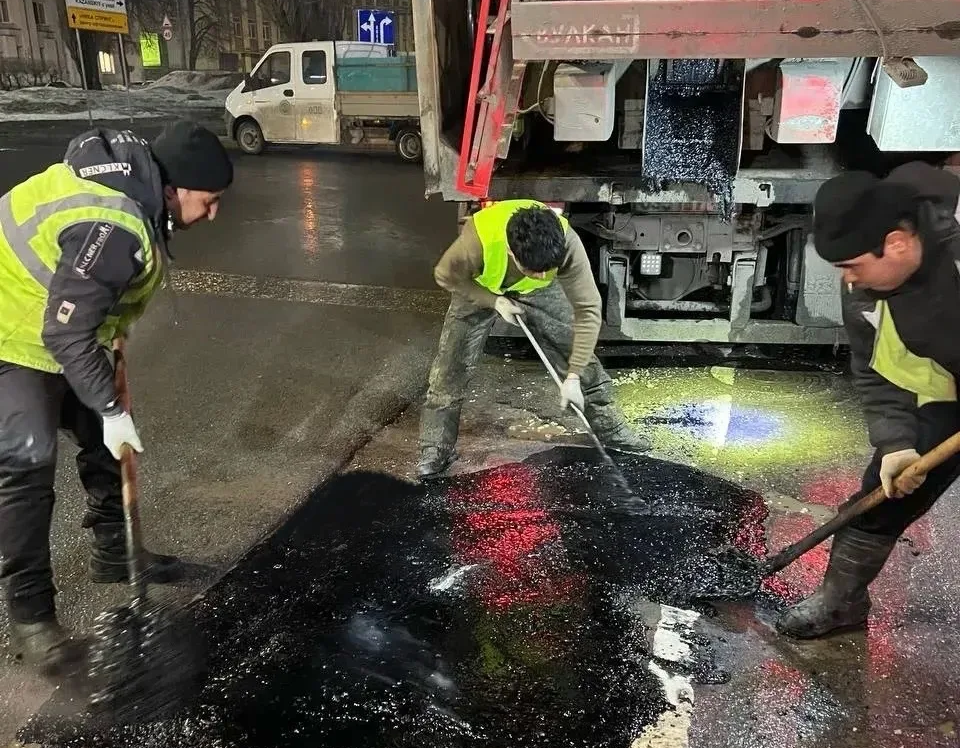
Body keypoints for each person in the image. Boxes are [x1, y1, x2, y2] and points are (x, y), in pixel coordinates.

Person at [0, 121, 234, 673]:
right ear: (175, 188)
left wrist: (107, 393)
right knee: (27, 469)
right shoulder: (114, 224)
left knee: (106, 440)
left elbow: (90, 305)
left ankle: (114, 551)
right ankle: (32, 620)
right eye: (210, 201)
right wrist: (107, 407)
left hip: (55, 320)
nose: (213, 214)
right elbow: (66, 332)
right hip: (11, 330)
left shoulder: (139, 196)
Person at [777, 161, 960, 639]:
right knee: (882, 498)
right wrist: (897, 443)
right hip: (941, 397)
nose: (849, 280)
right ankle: (841, 604)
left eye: (854, 265)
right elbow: (874, 371)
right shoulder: (863, 289)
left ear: (896, 243)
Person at [417, 199, 650, 478]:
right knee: (449, 369)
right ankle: (435, 449)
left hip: (539, 292)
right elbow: (445, 276)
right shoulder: (477, 241)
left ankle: (611, 429)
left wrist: (573, 376)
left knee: (573, 344)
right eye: (533, 269)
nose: (541, 275)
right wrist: (493, 301)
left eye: (546, 269)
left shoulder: (566, 244)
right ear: (511, 252)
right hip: (481, 285)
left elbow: (588, 311)